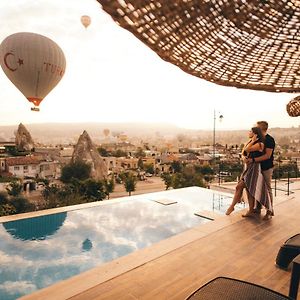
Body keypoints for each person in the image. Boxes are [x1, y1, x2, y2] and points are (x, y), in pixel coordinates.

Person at [226, 126, 273, 217]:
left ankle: (232, 206)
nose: (248, 132)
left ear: (255, 134)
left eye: (250, 131)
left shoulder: (260, 144)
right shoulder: (251, 142)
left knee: (239, 187)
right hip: (248, 167)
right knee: (249, 189)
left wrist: (251, 141)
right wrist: (244, 158)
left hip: (254, 169)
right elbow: (244, 152)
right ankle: (251, 210)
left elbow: (247, 149)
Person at [247, 121, 275, 220]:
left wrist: (253, 160)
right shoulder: (258, 139)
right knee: (257, 187)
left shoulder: (269, 140)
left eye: (257, 127)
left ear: (261, 128)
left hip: (266, 167)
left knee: (267, 189)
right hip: (256, 168)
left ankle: (269, 211)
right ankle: (257, 208)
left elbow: (267, 156)